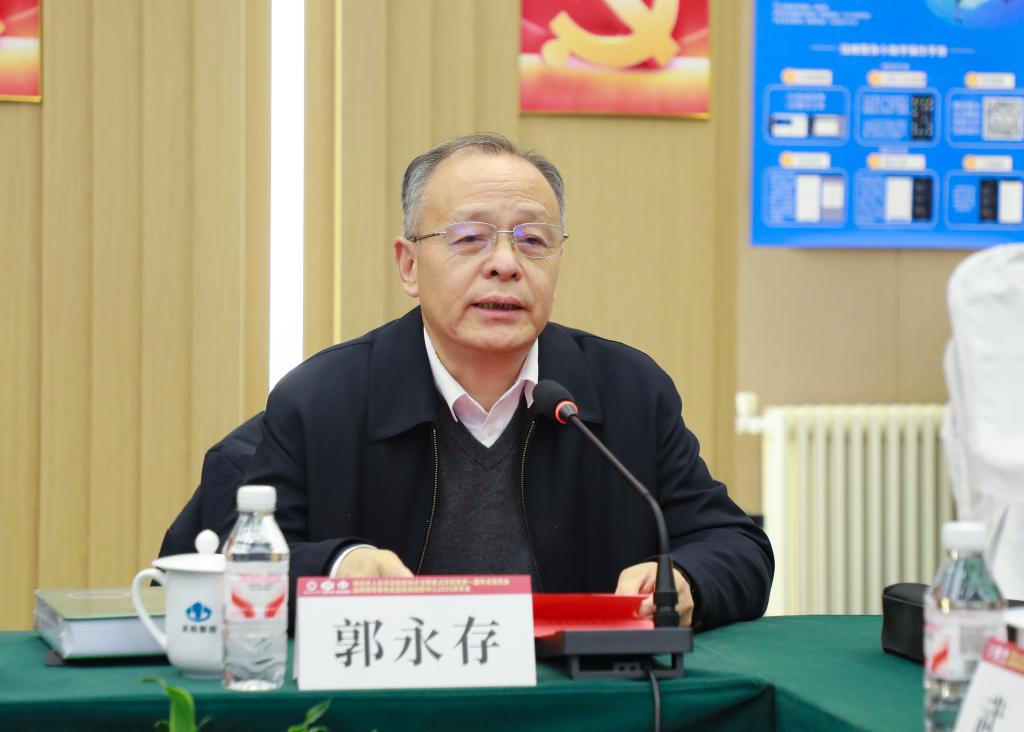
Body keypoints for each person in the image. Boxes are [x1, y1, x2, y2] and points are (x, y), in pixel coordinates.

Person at [236, 133, 773, 631]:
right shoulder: (323, 399)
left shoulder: (627, 390)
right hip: (391, 687)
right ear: (409, 265)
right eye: (470, 237)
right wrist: (337, 566)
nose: (505, 264)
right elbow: (230, 561)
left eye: (533, 240)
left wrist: (685, 580)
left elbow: (736, 545)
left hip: (576, 690)